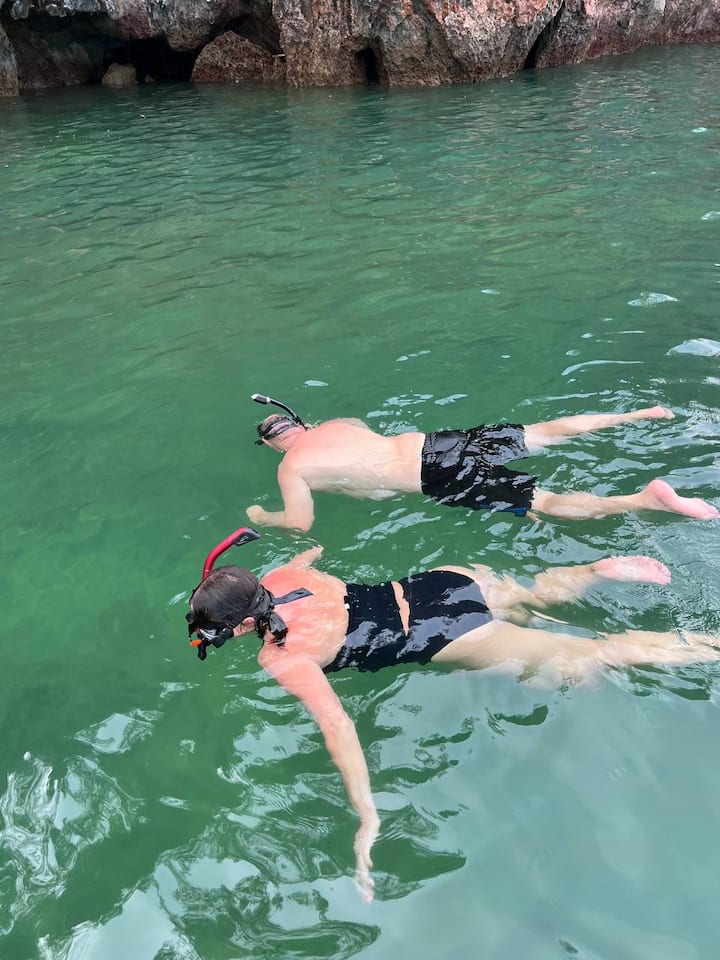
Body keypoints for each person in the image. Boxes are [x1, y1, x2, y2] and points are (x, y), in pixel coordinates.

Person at [186, 542, 720, 900]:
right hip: (443, 583)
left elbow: (339, 727)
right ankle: (588, 573)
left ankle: (709, 645)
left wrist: (367, 816)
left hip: (443, 634)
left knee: (594, 657)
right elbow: (312, 552)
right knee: (533, 597)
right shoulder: (285, 575)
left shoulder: (282, 657)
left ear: (246, 624)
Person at [245, 398, 719, 532]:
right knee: (544, 431)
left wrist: (264, 516)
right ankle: (640, 415)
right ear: (298, 423)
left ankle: (644, 499)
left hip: (434, 478)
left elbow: (302, 523)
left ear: (272, 447)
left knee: (544, 502)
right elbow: (361, 444)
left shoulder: (291, 468)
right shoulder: (338, 424)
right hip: (438, 443)